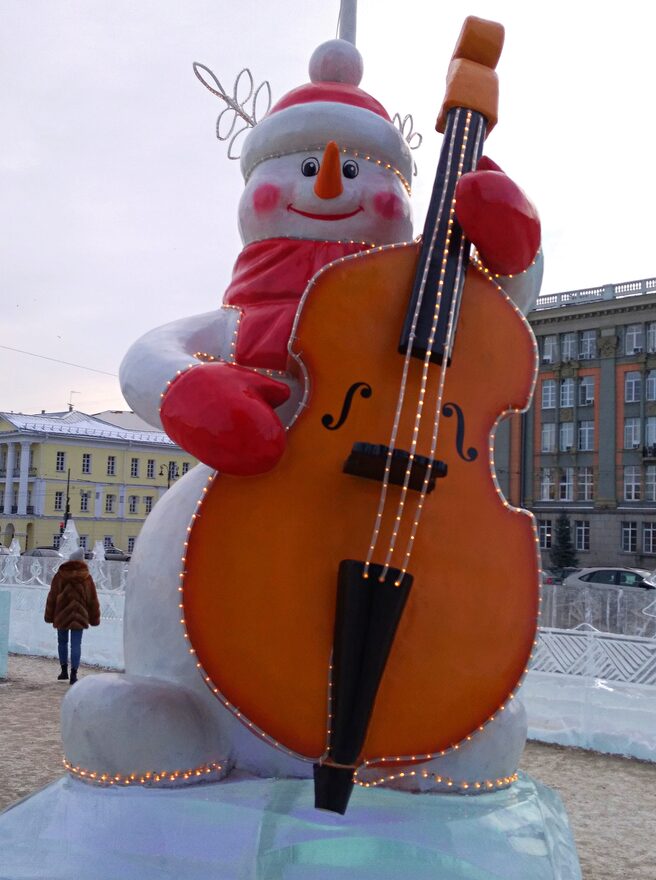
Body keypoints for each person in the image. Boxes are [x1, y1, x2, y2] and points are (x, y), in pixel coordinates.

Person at [44, 548, 100, 684]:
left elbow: (52, 595)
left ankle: (64, 671)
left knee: (62, 642)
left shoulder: (60, 575)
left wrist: (49, 615)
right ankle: (74, 674)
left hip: (62, 614)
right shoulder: (86, 577)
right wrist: (94, 618)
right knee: (76, 644)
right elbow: (92, 599)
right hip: (79, 615)